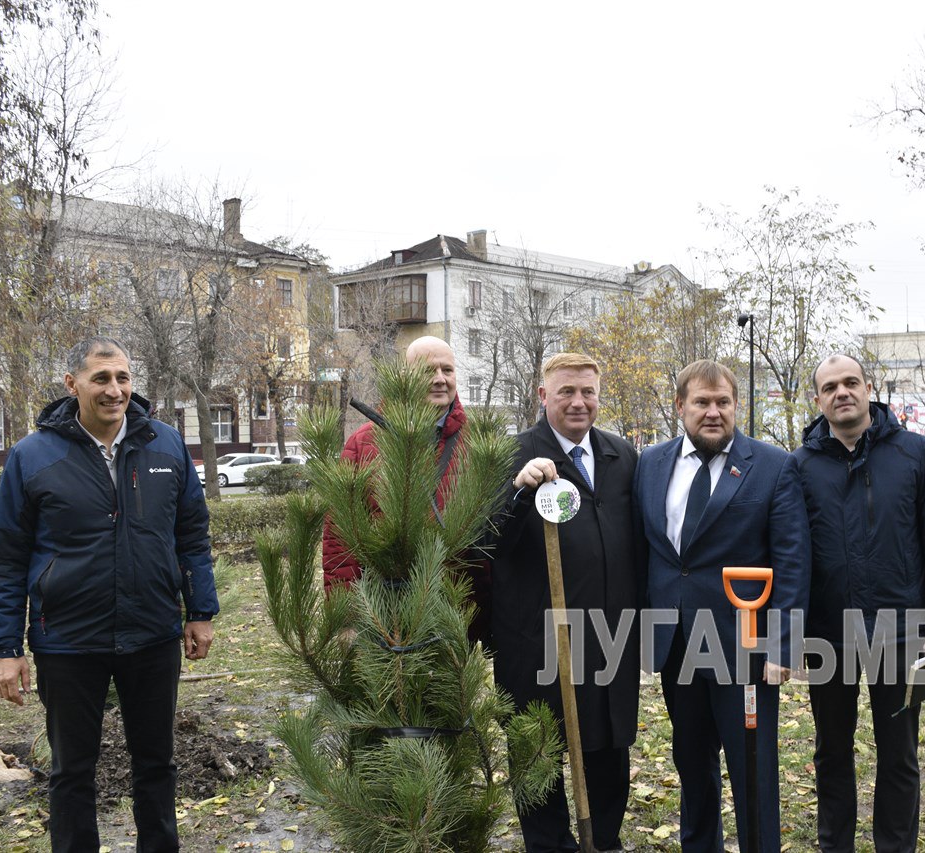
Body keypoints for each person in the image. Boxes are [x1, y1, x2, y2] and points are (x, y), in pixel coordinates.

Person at [0, 337, 218, 853]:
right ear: (73, 385)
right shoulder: (32, 456)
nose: (115, 391)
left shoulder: (166, 445)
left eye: (123, 378)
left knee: (156, 764)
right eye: (101, 379)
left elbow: (192, 536)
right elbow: (7, 560)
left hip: (152, 633)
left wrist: (200, 610)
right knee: (72, 772)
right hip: (67, 639)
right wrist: (5, 648)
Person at [635, 359, 810, 852]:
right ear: (680, 407)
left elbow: (793, 561)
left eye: (723, 402)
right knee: (692, 766)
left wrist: (784, 645)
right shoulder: (651, 463)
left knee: (753, 771)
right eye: (701, 402)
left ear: (737, 405)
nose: (713, 412)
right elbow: (649, 554)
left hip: (746, 650)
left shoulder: (773, 466)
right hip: (677, 647)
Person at [794, 354, 925, 853]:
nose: (841, 392)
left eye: (851, 382)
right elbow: (792, 554)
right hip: (829, 635)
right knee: (831, 751)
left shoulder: (914, 453)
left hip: (904, 633)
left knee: (898, 754)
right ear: (818, 398)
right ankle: (836, 846)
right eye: (830, 387)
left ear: (869, 388)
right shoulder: (801, 466)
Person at [492, 353, 640, 853]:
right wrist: (516, 491)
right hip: (536, 638)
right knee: (537, 752)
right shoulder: (508, 455)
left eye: (588, 392)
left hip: (606, 635)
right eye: (566, 393)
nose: (579, 402)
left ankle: (604, 840)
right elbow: (485, 542)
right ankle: (550, 845)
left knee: (608, 743)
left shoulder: (621, 456)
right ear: (542, 397)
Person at [320, 336, 490, 640]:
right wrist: (346, 618)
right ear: (404, 378)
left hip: (454, 613)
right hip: (384, 619)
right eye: (428, 371)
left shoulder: (477, 443)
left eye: (447, 371)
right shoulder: (364, 443)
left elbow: (492, 537)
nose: (439, 380)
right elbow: (340, 537)